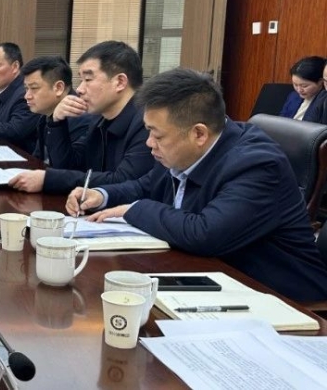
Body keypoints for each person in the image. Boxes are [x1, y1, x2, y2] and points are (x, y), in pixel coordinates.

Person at [67, 68, 327, 302]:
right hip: (210, 281)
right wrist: (101, 195)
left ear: (199, 133)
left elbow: (205, 233)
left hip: (282, 300)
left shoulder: (257, 164)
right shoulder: (184, 149)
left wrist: (133, 209)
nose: (149, 143)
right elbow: (146, 186)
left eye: (157, 135)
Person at [40, 41, 153, 194]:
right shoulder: (99, 118)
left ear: (120, 82)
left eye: (88, 79)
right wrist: (57, 123)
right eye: (81, 80)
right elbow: (69, 166)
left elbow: (124, 181)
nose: (79, 89)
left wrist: (49, 179)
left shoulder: (147, 123)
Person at [8, 56, 95, 192]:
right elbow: (37, 160)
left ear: (58, 88)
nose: (27, 96)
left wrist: (56, 123)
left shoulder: (80, 117)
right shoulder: (46, 115)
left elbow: (66, 170)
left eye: (34, 88)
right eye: (26, 89)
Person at [279, 56, 326, 122]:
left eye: (304, 86)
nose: (299, 90)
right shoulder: (293, 96)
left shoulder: (324, 101)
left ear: (320, 82)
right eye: (295, 84)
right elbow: (280, 120)